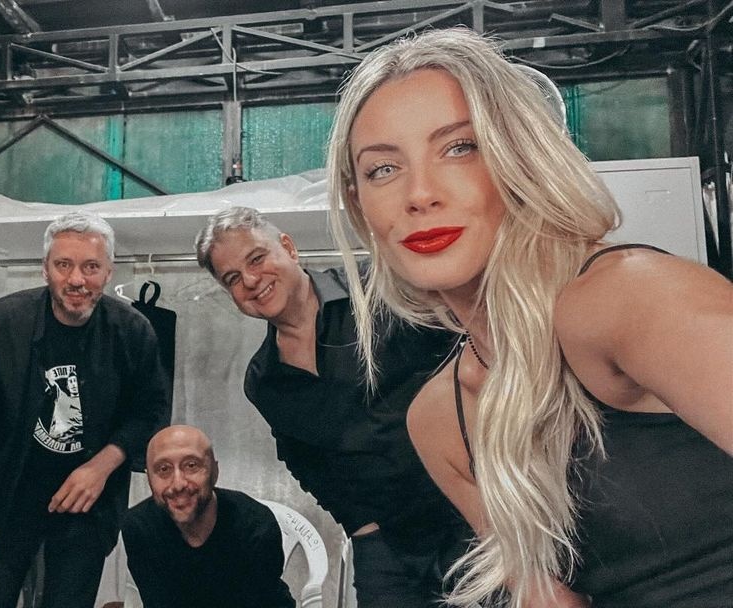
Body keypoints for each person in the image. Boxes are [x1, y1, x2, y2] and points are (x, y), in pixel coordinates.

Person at [325, 27, 733, 607]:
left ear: (521, 156)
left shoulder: (627, 297)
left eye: (460, 147)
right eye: (382, 169)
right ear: (359, 203)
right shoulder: (440, 419)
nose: (419, 194)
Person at [195, 206, 466, 607]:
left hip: (471, 514)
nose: (251, 280)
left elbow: (471, 353)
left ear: (289, 248)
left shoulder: (379, 286)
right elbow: (303, 460)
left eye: (257, 258)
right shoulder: (264, 380)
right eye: (232, 278)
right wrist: (360, 526)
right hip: (388, 548)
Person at [0, 211, 170, 608]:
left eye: (91, 267)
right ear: (45, 268)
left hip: (88, 506)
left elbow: (150, 410)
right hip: (5, 498)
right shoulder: (1, 323)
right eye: (63, 265)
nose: (76, 279)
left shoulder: (133, 331)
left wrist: (101, 466)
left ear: (109, 272)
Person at [122, 425, 295, 608]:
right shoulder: (140, 528)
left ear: (215, 471)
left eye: (191, 465)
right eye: (164, 469)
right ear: (149, 478)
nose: (178, 484)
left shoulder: (255, 526)